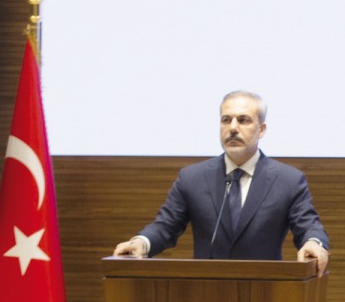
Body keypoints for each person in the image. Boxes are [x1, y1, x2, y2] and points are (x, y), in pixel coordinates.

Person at [113, 90, 330, 274]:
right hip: (205, 297)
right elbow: (166, 226)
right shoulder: (192, 178)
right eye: (226, 120)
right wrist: (141, 242)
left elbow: (309, 225)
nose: (233, 127)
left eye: (243, 120)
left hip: (267, 296)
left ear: (261, 129)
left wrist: (313, 243)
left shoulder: (287, 181)